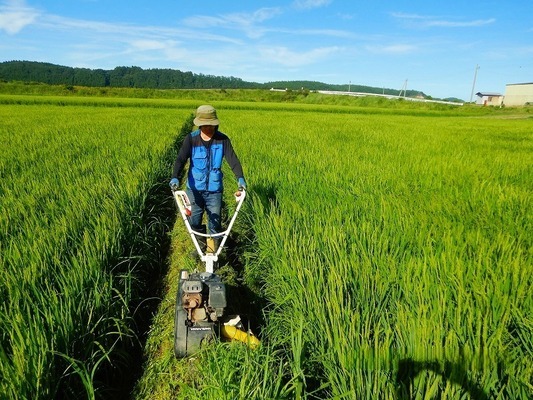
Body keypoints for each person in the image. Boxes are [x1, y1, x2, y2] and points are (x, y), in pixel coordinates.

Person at [169, 105, 246, 253]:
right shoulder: (191, 139)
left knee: (215, 223)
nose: (208, 128)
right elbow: (180, 159)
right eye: (205, 125)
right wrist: (175, 177)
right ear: (199, 124)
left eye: (211, 125)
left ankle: (212, 253)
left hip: (214, 191)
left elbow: (233, 160)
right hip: (194, 190)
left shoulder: (222, 140)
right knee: (194, 221)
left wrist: (240, 178)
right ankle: (200, 249)